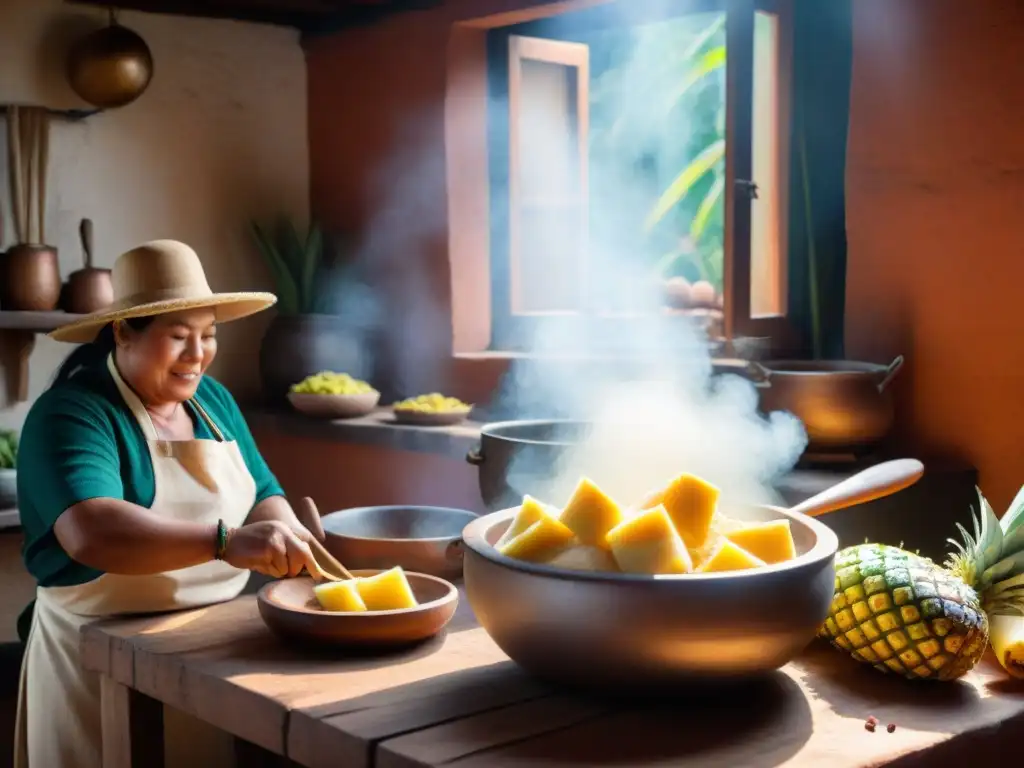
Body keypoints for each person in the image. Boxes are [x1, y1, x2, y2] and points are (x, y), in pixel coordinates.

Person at [13, 240, 323, 768]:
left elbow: (262, 494)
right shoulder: (72, 413)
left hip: (210, 656)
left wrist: (289, 538)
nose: (197, 354)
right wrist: (226, 543)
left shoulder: (214, 402)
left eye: (208, 336)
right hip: (95, 660)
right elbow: (92, 531)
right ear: (122, 332)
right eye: (178, 337)